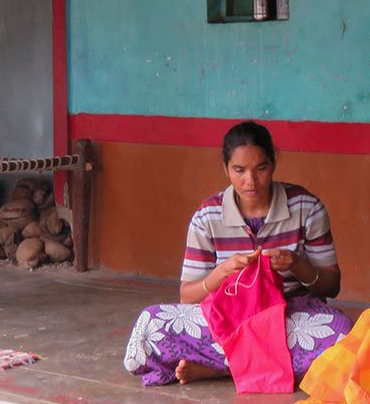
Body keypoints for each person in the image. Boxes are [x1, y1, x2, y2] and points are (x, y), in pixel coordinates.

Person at [124, 121, 353, 386]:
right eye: (239, 170)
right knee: (152, 325)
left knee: (340, 333)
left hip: (289, 317)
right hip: (228, 318)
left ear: (274, 163)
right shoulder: (207, 217)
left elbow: (332, 285)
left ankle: (222, 369)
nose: (250, 181)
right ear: (225, 168)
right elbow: (187, 296)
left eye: (261, 168)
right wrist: (222, 272)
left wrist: (296, 264)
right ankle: (255, 366)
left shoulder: (306, 207)